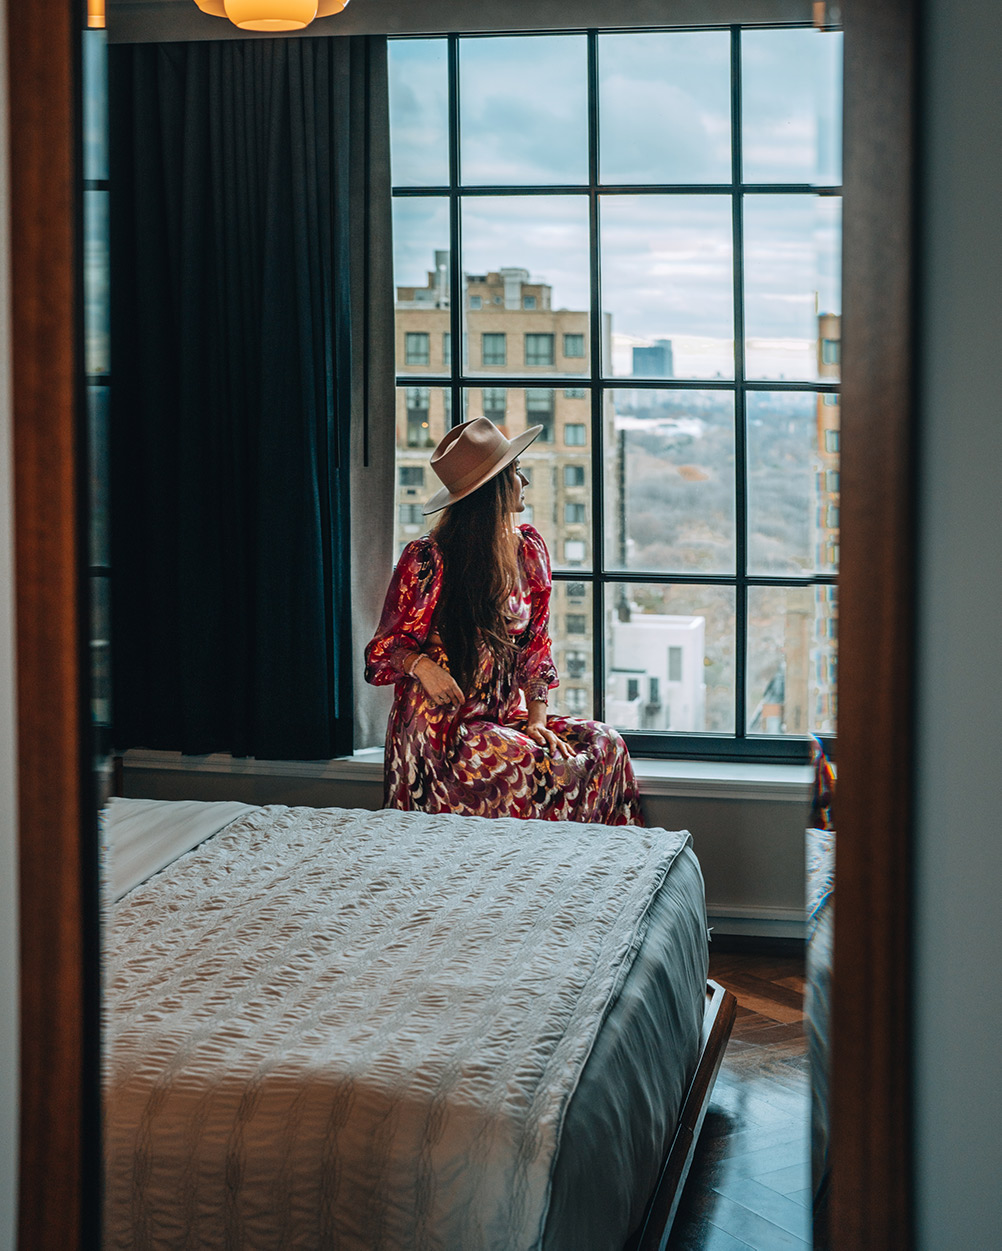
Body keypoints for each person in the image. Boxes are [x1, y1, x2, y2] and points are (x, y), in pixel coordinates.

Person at [364, 417, 643, 825]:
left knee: (606, 744)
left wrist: (537, 718)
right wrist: (423, 667)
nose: (524, 480)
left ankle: (599, 870)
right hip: (442, 733)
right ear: (491, 491)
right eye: (514, 472)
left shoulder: (527, 549)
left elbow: (536, 645)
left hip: (501, 716)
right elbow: (381, 653)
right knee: (526, 765)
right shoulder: (429, 559)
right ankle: (519, 869)